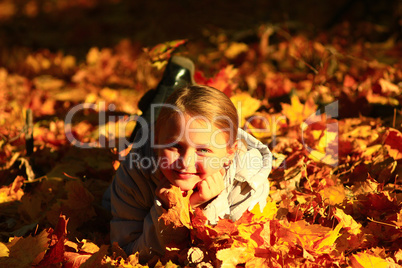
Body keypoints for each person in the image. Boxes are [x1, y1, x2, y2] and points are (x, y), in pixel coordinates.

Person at [104, 56, 272, 262]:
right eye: (175, 146)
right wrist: (169, 212)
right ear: (157, 142)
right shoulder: (134, 173)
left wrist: (201, 207)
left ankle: (168, 93)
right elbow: (129, 253)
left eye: (203, 151)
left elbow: (233, 256)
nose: (185, 162)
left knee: (162, 124)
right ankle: (163, 97)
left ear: (229, 153)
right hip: (150, 142)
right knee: (107, 197)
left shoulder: (248, 182)